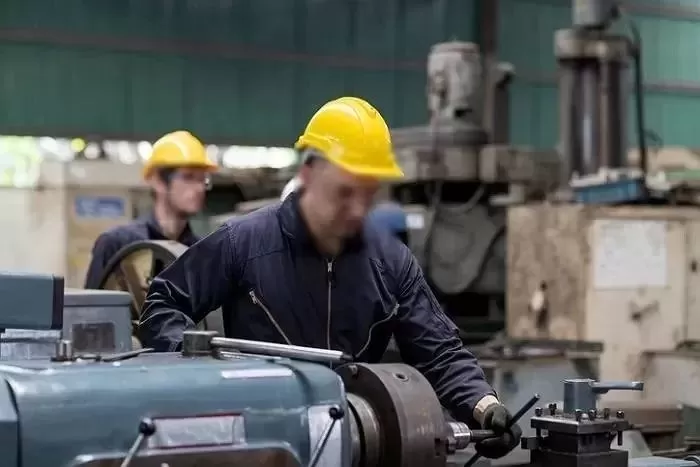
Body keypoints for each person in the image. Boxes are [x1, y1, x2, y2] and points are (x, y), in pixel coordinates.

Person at [138, 97, 521, 459]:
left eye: (367, 193)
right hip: (260, 439)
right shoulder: (245, 243)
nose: (357, 209)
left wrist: (484, 406)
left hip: (351, 438)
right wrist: (198, 371)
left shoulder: (390, 262)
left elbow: (439, 351)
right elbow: (164, 303)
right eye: (344, 191)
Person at [84, 130, 217, 288]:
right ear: (158, 181)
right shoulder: (117, 244)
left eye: (203, 180)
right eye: (188, 177)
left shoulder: (202, 253)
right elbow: (90, 309)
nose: (199, 188)